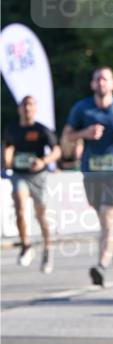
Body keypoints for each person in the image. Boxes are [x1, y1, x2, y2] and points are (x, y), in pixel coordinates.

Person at [62, 67, 113, 286]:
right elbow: (68, 135)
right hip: (91, 171)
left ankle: (101, 266)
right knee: (104, 219)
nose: (101, 82)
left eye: (105, 79)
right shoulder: (82, 108)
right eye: (97, 79)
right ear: (92, 84)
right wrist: (84, 134)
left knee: (107, 217)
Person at [2, 95, 61, 272]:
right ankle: (26, 245)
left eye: (31, 105)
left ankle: (47, 248)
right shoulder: (12, 129)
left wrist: (44, 161)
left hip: (38, 176)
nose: (27, 109)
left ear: (35, 109)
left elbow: (57, 151)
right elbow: (7, 147)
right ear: (19, 109)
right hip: (20, 175)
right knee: (19, 206)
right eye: (24, 105)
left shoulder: (42, 130)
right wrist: (6, 160)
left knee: (40, 215)